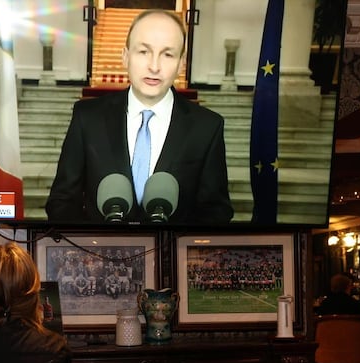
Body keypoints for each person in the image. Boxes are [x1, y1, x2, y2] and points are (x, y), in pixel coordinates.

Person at [45, 9, 234, 225]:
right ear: (125, 56)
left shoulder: (207, 127)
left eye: (168, 54)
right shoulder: (87, 118)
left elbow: (216, 212)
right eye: (143, 51)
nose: (154, 66)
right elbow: (62, 202)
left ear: (182, 64)